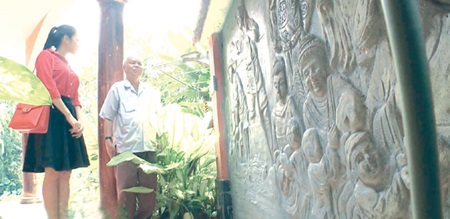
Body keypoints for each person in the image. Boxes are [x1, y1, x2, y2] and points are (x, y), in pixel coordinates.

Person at [22, 25, 90, 219]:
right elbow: (49, 89)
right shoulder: (45, 56)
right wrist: (69, 117)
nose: (78, 43)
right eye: (76, 39)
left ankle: (63, 215)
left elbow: (76, 98)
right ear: (66, 39)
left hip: (69, 117)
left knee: (66, 172)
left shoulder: (68, 66)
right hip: (52, 115)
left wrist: (79, 121)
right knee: (52, 171)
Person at [99, 55, 161, 219]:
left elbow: (157, 116)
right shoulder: (117, 89)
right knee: (126, 192)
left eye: (139, 63)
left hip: (149, 147)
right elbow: (108, 116)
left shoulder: (150, 91)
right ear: (124, 68)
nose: (136, 65)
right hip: (126, 150)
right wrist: (108, 139)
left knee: (149, 192)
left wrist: (160, 138)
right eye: (132, 63)